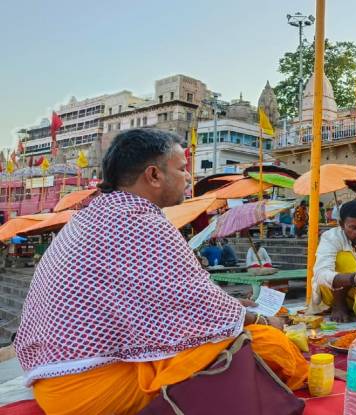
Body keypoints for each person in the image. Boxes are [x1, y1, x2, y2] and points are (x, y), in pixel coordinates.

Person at [14, 129, 307, 414]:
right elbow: (195, 301)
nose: (189, 177)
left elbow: (173, 301)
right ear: (153, 175)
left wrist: (226, 309)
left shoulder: (91, 216)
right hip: (93, 389)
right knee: (269, 343)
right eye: (182, 168)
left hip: (53, 384)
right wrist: (262, 319)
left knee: (232, 330)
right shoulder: (141, 222)